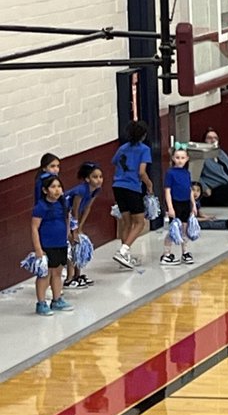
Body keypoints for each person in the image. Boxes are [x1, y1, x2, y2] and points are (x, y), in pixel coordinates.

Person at [112, 120, 153, 270]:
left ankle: (125, 257)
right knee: (140, 222)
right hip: (132, 187)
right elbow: (142, 172)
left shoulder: (122, 148)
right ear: (143, 135)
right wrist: (149, 184)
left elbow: (115, 162)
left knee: (126, 222)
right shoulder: (144, 150)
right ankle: (123, 251)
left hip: (117, 186)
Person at [31, 176, 74, 316]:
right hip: (47, 246)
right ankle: (41, 303)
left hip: (60, 244)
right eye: (53, 187)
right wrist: (38, 248)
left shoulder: (63, 204)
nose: (57, 190)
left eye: (59, 187)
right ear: (44, 190)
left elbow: (67, 221)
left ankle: (57, 300)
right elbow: (34, 228)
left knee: (57, 273)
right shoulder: (41, 207)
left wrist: (68, 236)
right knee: (45, 275)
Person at [64, 161, 104, 289]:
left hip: (72, 218)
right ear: (87, 179)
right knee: (71, 245)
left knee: (78, 244)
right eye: (95, 177)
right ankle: (69, 278)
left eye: (100, 177)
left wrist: (80, 227)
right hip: (64, 216)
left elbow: (87, 208)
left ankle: (77, 275)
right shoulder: (81, 190)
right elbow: (74, 211)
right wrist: (74, 230)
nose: (99, 180)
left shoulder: (96, 190)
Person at [161, 146, 198, 265]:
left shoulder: (187, 173)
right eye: (177, 158)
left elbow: (189, 189)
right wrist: (170, 207)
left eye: (182, 158)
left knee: (184, 228)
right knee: (174, 229)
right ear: (173, 158)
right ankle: (166, 254)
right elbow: (167, 191)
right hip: (175, 203)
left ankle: (185, 252)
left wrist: (194, 205)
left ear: (187, 159)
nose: (180, 160)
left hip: (186, 203)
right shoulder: (170, 173)